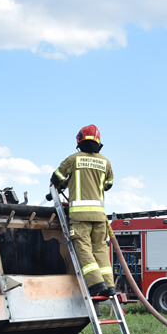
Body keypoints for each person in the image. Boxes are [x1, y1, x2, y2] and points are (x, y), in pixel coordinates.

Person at [51, 125, 116, 297]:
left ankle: (96, 284)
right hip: (100, 216)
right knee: (101, 249)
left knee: (84, 248)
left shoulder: (73, 160)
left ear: (79, 140)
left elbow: (55, 177)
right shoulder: (106, 162)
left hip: (79, 216)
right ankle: (109, 285)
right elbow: (109, 185)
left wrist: (64, 184)